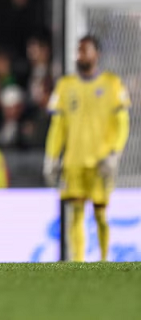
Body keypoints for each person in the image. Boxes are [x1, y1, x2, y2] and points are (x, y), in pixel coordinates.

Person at [44, 35, 130, 262]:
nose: (79, 55)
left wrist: (115, 154)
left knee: (101, 215)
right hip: (73, 162)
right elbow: (58, 127)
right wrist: (51, 158)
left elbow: (122, 124)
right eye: (78, 51)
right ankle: (78, 263)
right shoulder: (65, 86)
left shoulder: (112, 84)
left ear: (96, 53)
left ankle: (104, 261)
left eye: (84, 51)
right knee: (75, 215)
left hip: (101, 161)